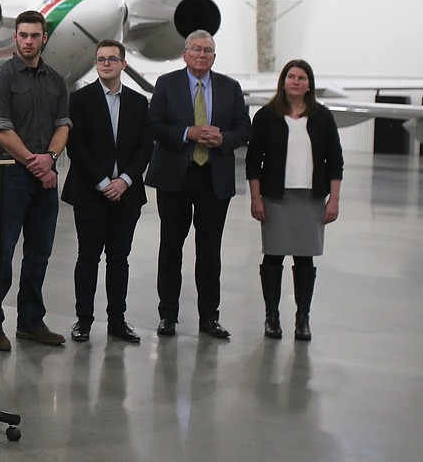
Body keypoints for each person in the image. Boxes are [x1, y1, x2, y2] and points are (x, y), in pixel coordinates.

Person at [145, 30, 252, 339]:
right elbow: (153, 125)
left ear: (214, 58)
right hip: (176, 178)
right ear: (185, 54)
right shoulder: (167, 84)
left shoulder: (230, 88)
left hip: (213, 180)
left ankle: (210, 317)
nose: (202, 55)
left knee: (209, 253)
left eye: (208, 51)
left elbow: (245, 128)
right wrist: (187, 133)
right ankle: (168, 316)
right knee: (171, 250)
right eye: (196, 49)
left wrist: (224, 138)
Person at [0, 9, 71, 350]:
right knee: (2, 254)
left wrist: (48, 160)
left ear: (44, 38)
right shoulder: (2, 79)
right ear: (15, 37)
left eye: (35, 36)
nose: (28, 41)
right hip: (11, 176)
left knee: (40, 253)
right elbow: (2, 130)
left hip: (45, 178)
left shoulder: (55, 80)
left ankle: (31, 322)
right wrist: (37, 164)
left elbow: (63, 125)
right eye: (23, 35)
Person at [245, 59, 343, 341]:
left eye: (301, 77)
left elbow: (335, 161)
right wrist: (256, 198)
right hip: (276, 197)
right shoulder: (266, 116)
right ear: (283, 81)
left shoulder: (323, 117)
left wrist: (333, 200)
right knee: (273, 256)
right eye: (291, 76)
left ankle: (303, 319)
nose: (296, 81)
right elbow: (254, 161)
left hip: (310, 199)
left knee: (304, 258)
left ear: (309, 83)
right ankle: (272, 317)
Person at [61, 40, 152, 344]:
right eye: (101, 59)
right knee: (88, 257)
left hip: (126, 194)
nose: (106, 64)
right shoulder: (81, 99)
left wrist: (124, 180)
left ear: (123, 64)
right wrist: (103, 182)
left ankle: (117, 321)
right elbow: (77, 146)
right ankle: (83, 321)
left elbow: (144, 147)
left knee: (119, 259)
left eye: (112, 59)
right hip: (90, 192)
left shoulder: (139, 103)